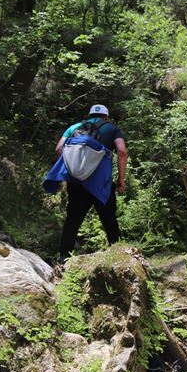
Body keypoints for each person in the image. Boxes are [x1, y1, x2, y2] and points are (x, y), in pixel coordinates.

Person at [53, 104, 128, 261]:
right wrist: (121, 179)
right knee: (109, 219)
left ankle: (63, 257)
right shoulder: (112, 128)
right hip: (101, 183)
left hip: (76, 182)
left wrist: (74, 169)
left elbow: (59, 149)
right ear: (106, 117)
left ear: (89, 114)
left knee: (73, 219)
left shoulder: (74, 127)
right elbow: (121, 151)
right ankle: (120, 257)